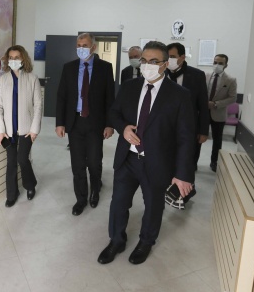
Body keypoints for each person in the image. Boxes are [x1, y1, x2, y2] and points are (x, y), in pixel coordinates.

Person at [98, 41, 194, 265]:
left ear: (165, 64)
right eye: (144, 60)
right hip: (127, 158)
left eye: (153, 61)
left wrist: (182, 174)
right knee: (118, 203)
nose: (147, 65)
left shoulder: (179, 95)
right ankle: (116, 240)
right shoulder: (129, 87)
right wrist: (123, 128)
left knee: (153, 205)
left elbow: (185, 138)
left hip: (157, 162)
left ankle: (146, 241)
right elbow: (114, 113)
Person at [56, 33, 115, 216]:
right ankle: (81, 199)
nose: (81, 48)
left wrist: (110, 124)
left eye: (85, 45)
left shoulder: (105, 68)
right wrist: (60, 123)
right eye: (79, 45)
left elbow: (110, 99)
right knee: (78, 164)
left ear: (93, 47)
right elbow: (62, 97)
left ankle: (95, 190)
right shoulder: (69, 68)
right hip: (75, 122)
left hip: (96, 123)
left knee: (95, 162)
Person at [0, 45, 42, 207]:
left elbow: (38, 105)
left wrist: (34, 130)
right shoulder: (3, 80)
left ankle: (30, 185)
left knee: (23, 159)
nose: (13, 60)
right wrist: (0, 131)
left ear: (23, 59)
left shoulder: (32, 78)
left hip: (27, 128)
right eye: (11, 58)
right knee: (11, 162)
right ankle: (12, 194)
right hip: (8, 130)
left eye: (17, 57)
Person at [166, 42, 209, 172]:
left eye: (172, 57)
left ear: (183, 57)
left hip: (188, 127)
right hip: (165, 126)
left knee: (187, 162)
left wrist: (203, 131)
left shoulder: (197, 75)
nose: (169, 60)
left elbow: (203, 105)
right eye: (167, 56)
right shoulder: (161, 73)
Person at [206, 54, 237, 172]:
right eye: (215, 62)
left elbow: (233, 98)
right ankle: (193, 162)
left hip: (219, 114)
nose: (217, 65)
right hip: (203, 113)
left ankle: (214, 162)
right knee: (198, 138)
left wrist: (215, 104)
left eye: (220, 63)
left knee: (217, 140)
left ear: (226, 65)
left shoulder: (230, 80)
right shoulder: (205, 76)